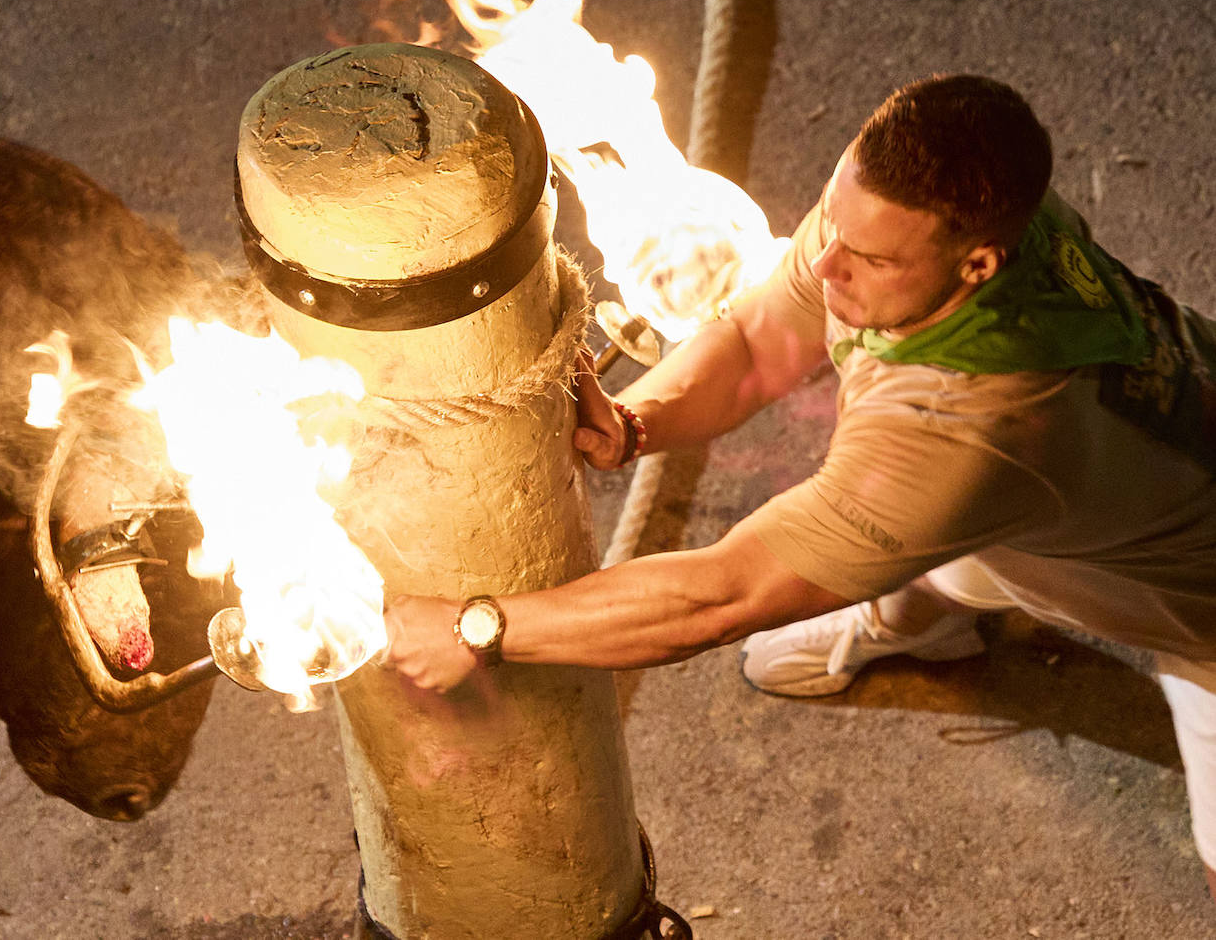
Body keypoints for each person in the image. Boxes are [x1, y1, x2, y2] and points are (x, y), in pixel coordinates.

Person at [383, 74, 1216, 896]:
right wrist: (637, 425)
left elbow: (718, 596)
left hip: (1197, 609)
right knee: (941, 532)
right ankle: (918, 618)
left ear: (978, 265)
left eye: (871, 257)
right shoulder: (946, 215)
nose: (825, 263)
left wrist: (474, 628)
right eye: (836, 223)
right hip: (1075, 491)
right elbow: (753, 343)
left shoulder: (965, 438)